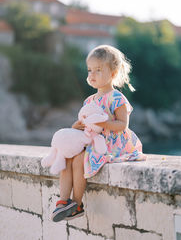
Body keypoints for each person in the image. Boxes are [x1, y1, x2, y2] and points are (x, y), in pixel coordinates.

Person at [51, 44, 146, 222]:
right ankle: (63, 201)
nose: (92, 75)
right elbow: (85, 123)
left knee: (79, 159)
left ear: (113, 73)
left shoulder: (116, 98)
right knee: (67, 157)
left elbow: (122, 125)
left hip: (110, 143)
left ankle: (77, 204)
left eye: (98, 70)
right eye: (89, 70)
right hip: (91, 141)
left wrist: (104, 123)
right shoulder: (89, 100)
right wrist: (77, 125)